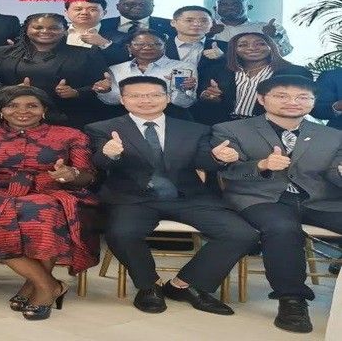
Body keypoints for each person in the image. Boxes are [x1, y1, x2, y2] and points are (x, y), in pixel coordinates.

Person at [86, 76, 257, 315]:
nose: (146, 100)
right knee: (121, 232)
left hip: (187, 196)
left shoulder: (194, 129)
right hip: (133, 198)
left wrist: (219, 157)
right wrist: (110, 154)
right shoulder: (101, 128)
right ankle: (149, 285)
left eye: (154, 95)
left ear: (167, 98)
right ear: (123, 100)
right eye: (136, 95)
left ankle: (185, 285)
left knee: (241, 233)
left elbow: (203, 160)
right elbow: (99, 163)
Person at [0, 85, 98, 320]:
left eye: (32, 105)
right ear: (1, 111)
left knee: (45, 211)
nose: (23, 111)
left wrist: (72, 175)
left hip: (50, 190)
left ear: (44, 110)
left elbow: (88, 175)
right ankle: (48, 286)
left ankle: (34, 286)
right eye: (12, 105)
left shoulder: (72, 135)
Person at [212, 75, 342, 334]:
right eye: (282, 96)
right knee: (282, 228)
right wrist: (260, 165)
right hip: (260, 198)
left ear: (313, 102)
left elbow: (333, 174)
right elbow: (229, 173)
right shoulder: (230, 130)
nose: (293, 102)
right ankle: (292, 300)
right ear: (261, 99)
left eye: (302, 97)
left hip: (318, 199)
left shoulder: (333, 135)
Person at [0, 13, 111, 128]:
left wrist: (76, 92)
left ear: (65, 30)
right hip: (12, 117)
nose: (45, 31)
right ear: (26, 30)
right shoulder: (1, 53)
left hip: (68, 118)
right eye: (38, 27)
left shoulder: (87, 54)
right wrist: (12, 91)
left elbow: (98, 86)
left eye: (54, 28)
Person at [196, 32, 313, 125]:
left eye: (260, 44)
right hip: (224, 126)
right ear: (233, 50)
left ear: (272, 47)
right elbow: (206, 99)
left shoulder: (296, 72)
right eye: (243, 45)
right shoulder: (217, 70)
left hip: (271, 128)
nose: (252, 48)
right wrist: (209, 97)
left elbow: (303, 103)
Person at [96, 31, 198, 118]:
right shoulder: (116, 69)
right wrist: (106, 91)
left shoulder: (182, 68)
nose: (148, 47)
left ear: (165, 47)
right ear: (129, 48)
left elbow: (184, 103)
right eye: (140, 44)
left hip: (171, 117)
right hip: (126, 118)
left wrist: (180, 89)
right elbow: (113, 101)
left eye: (156, 44)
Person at [213, 0, 293, 56]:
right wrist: (207, 35)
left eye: (236, 5)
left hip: (258, 74)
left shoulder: (269, 28)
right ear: (215, 9)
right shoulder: (206, 28)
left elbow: (284, 53)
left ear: (249, 7)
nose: (230, 7)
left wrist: (274, 37)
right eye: (224, 5)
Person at [166, 6, 226, 73]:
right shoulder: (160, 46)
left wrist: (223, 57)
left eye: (204, 21)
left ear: (211, 24)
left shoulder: (225, 46)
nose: (197, 24)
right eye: (189, 20)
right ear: (173, 23)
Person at [98, 0, 177, 42]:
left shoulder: (169, 24)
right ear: (118, 7)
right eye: (129, 4)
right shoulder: (102, 24)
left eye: (142, 5)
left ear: (152, 7)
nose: (137, 7)